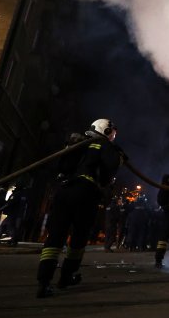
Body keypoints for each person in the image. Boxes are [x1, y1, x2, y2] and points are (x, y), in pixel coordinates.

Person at [36, 118, 123, 298]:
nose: (113, 137)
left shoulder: (77, 142)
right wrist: (118, 154)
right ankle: (66, 277)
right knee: (79, 237)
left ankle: (43, 282)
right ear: (106, 131)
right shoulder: (103, 144)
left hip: (64, 191)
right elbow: (111, 165)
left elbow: (61, 166)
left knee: (55, 237)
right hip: (85, 192)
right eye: (112, 133)